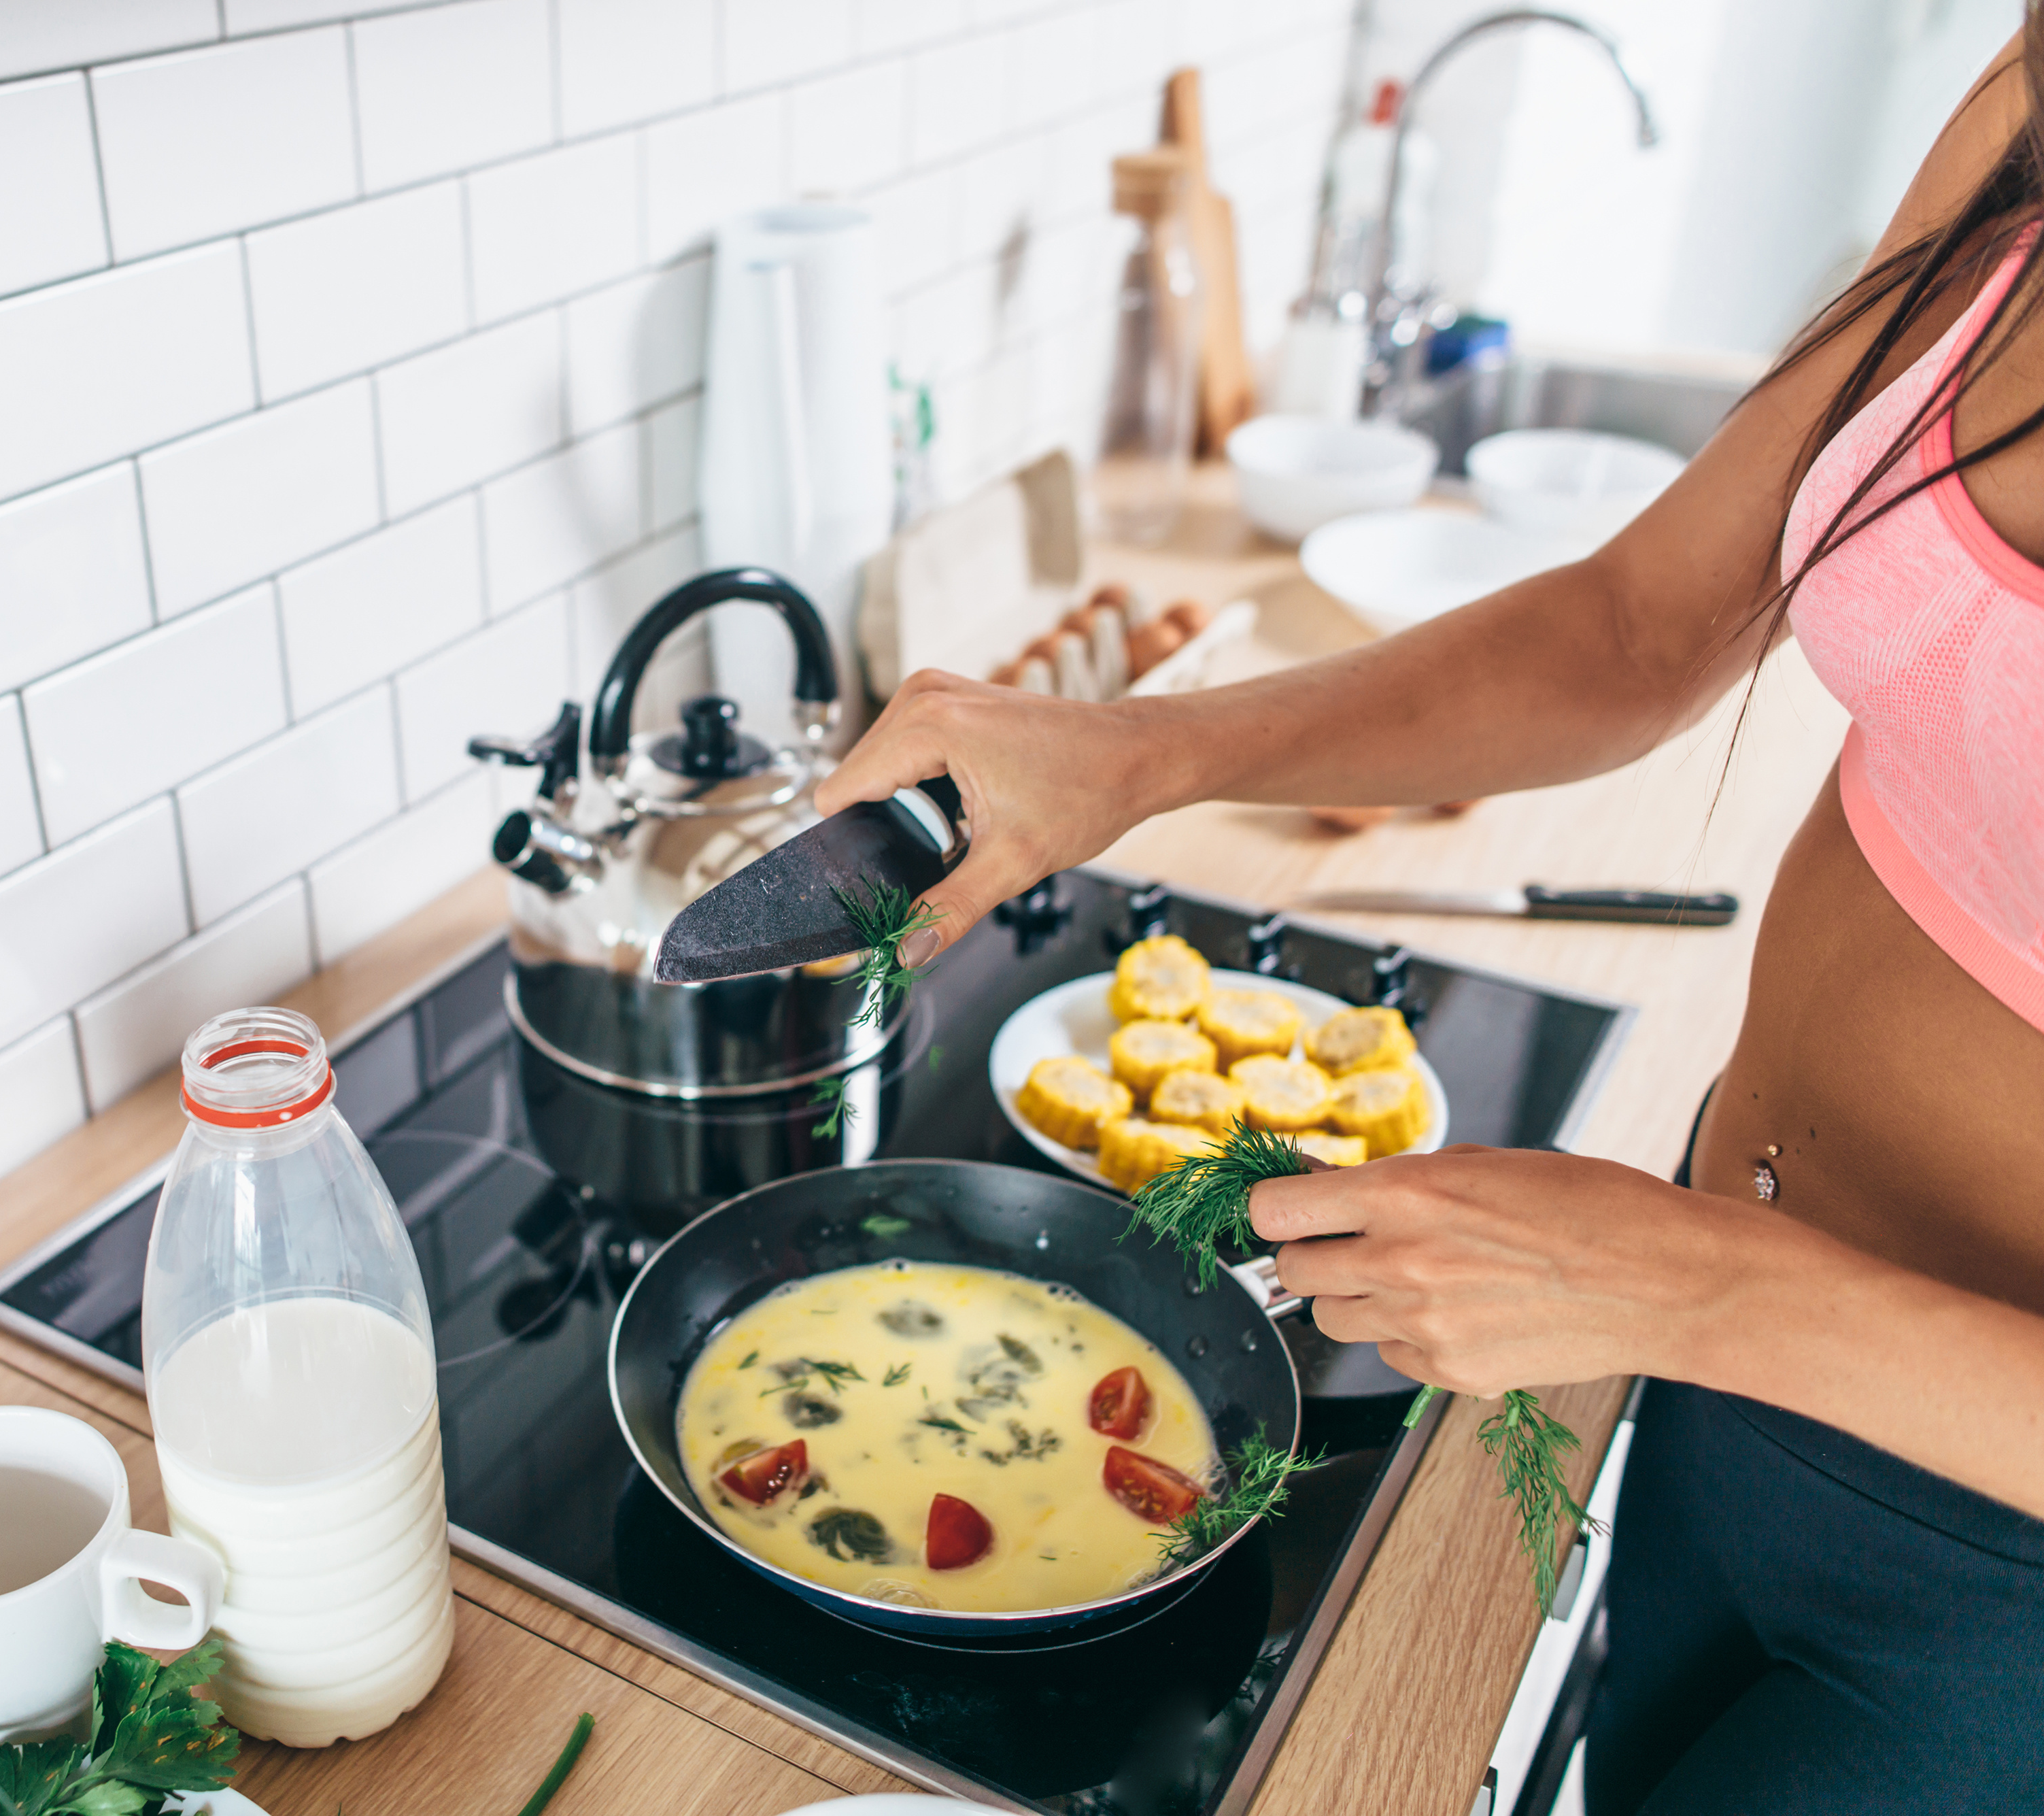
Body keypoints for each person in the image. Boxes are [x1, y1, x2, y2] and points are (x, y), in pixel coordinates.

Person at [817, 22, 2044, 1815]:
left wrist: (1704, 1287)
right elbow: (1641, 625)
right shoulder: (2026, 110)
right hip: (1727, 1376)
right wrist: (1133, 757)